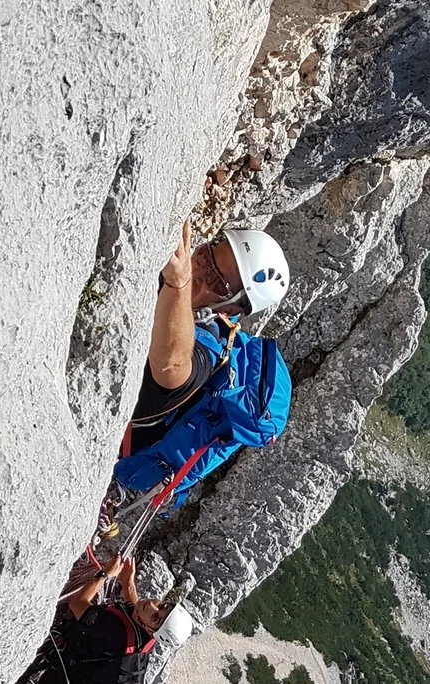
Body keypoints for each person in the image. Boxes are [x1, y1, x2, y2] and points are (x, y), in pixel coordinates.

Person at [107, 219, 293, 512]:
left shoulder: (210, 345)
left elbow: (172, 366)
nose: (200, 273)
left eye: (217, 283)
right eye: (206, 256)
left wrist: (178, 284)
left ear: (231, 308)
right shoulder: (186, 286)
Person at [16, 555, 195, 684]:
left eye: (156, 617)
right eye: (163, 605)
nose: (152, 607)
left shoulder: (113, 630)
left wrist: (105, 574)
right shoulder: (149, 634)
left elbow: (77, 604)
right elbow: (137, 613)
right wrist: (128, 584)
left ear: (151, 630)